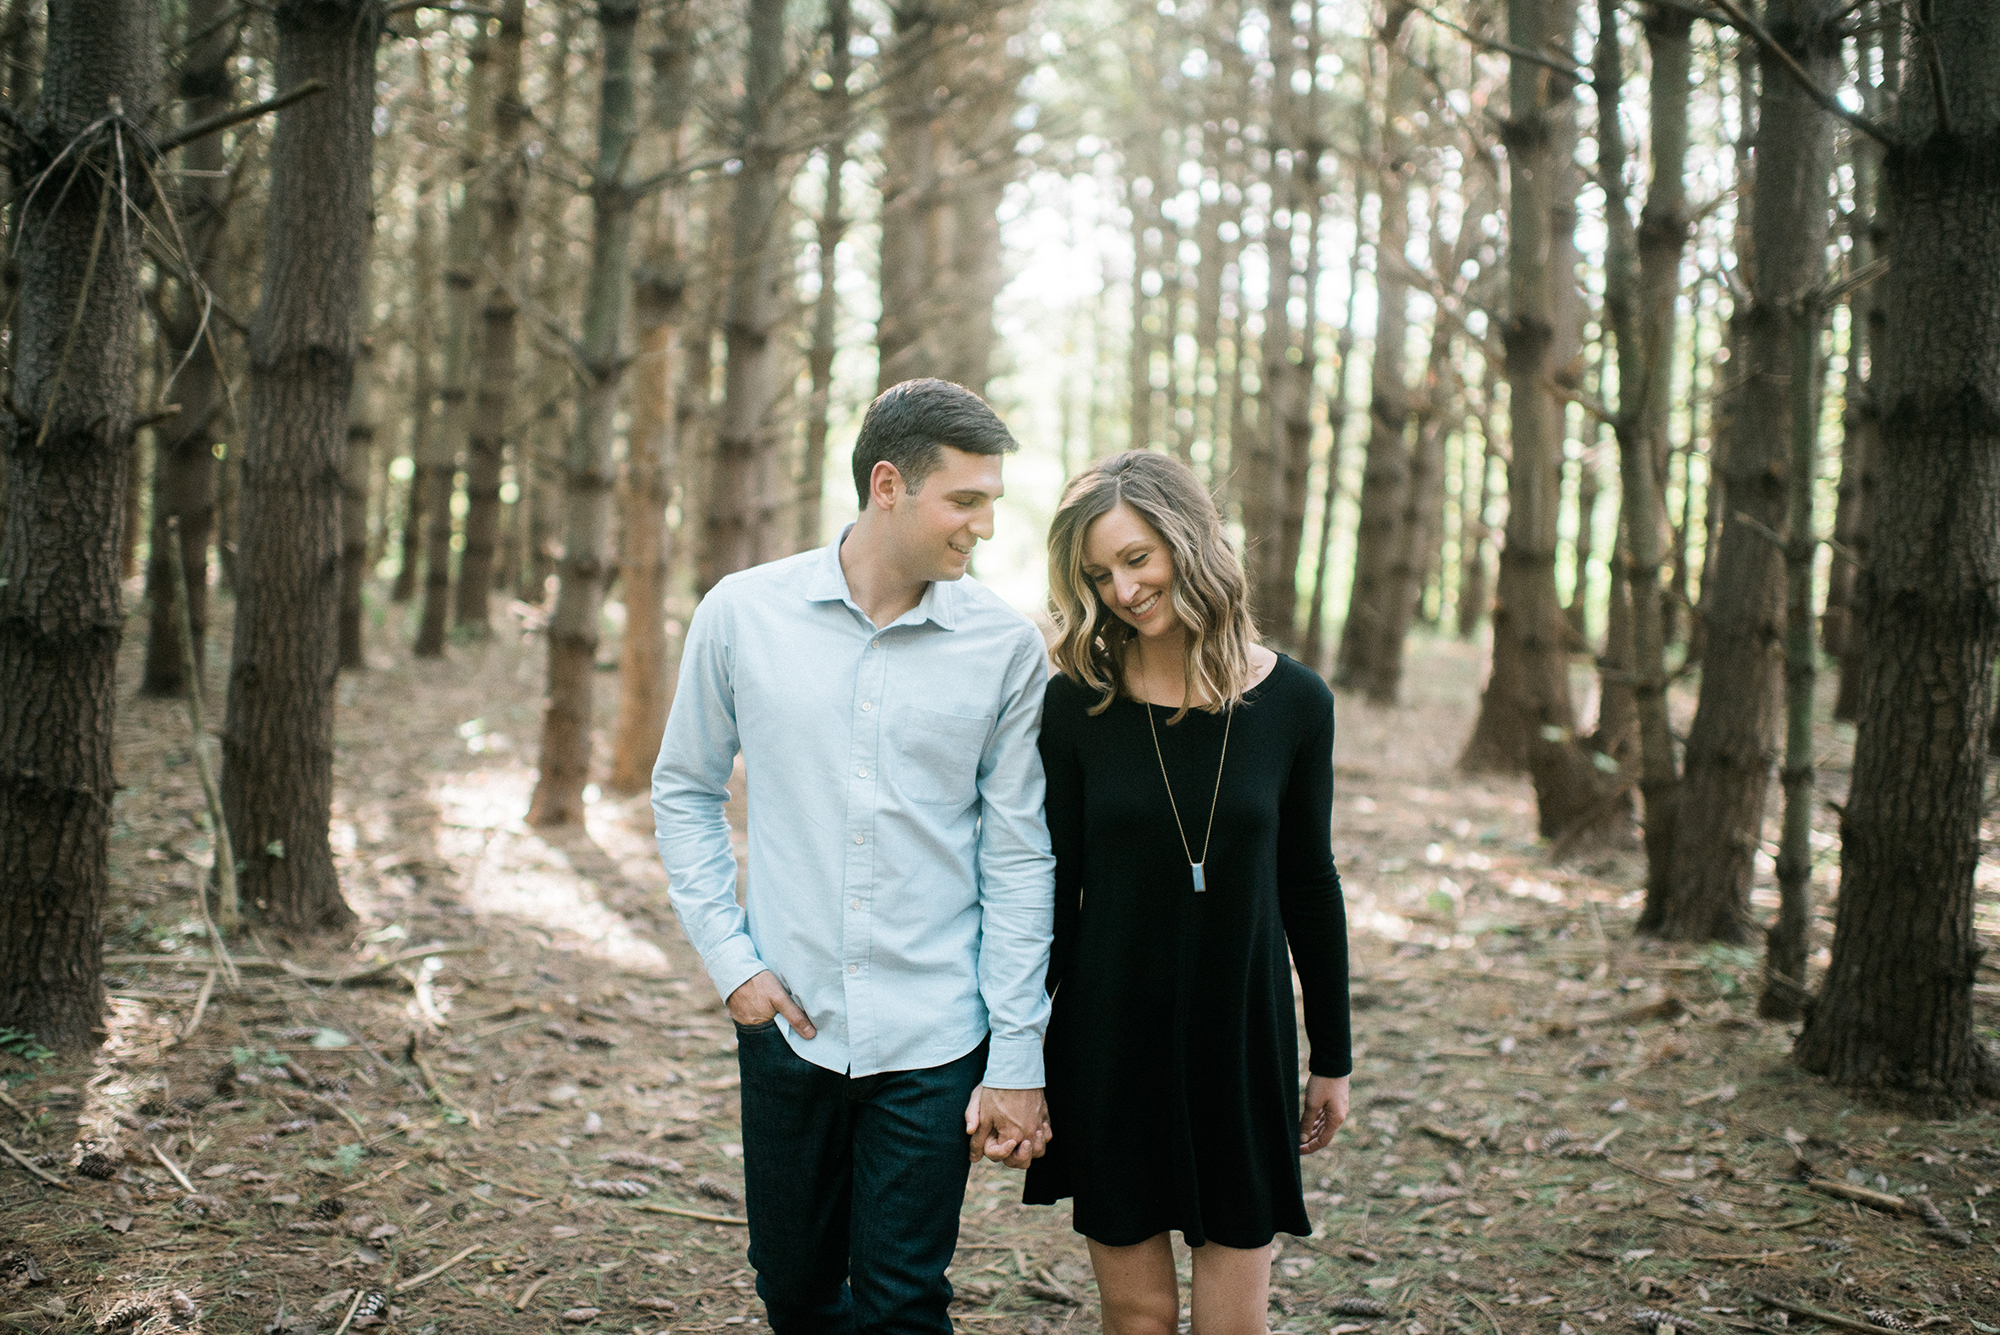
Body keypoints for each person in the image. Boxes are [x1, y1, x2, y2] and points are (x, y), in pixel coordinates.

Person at [652, 378, 1056, 1335]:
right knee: (792, 1288)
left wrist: (1017, 1052)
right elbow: (685, 789)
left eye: (992, 501)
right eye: (966, 500)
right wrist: (732, 961)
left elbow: (1020, 858)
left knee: (903, 1305)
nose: (985, 528)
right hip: (788, 1021)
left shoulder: (1003, 646)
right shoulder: (743, 613)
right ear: (889, 485)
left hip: (934, 1034)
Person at [1022, 450, 1353, 1335]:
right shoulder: (1074, 708)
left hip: (1239, 1038)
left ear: (1190, 541)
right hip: (1110, 1037)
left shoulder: (1297, 704)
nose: (1123, 589)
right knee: (1135, 1315)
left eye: (1137, 558)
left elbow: (1309, 883)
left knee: (1232, 1323)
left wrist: (1333, 1054)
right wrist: (1017, 1053)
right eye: (1099, 573)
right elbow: (1050, 894)